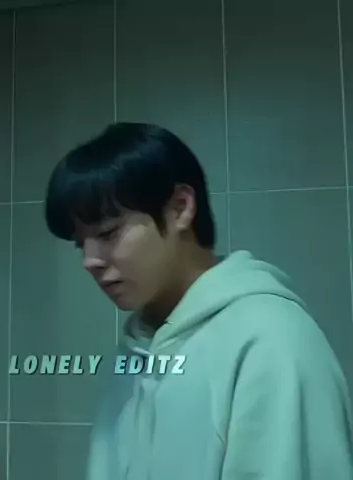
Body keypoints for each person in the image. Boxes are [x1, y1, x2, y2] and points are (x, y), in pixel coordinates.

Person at [44, 122, 353, 479]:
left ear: (180, 208)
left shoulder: (271, 343)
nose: (90, 261)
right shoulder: (138, 348)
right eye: (81, 244)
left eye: (108, 233)